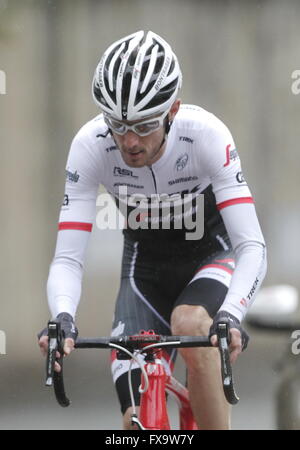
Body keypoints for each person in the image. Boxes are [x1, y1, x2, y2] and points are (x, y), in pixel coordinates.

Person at [38, 30, 267, 430]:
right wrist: (62, 316)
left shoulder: (207, 136)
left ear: (172, 110)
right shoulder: (90, 146)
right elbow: (68, 257)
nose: (129, 140)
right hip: (144, 273)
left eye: (144, 125)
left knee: (191, 324)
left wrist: (231, 313)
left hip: (210, 258)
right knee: (134, 422)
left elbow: (251, 245)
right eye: (118, 124)